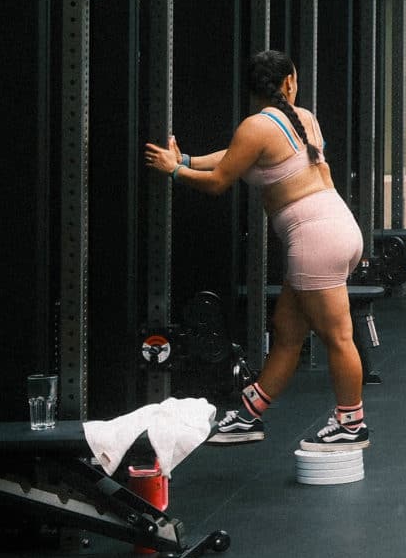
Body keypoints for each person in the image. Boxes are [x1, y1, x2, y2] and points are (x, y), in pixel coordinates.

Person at [145, 50, 371, 451]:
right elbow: (237, 159)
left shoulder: (256, 127)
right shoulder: (303, 118)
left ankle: (351, 424)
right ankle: (249, 416)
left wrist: (175, 170)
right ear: (289, 82)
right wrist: (188, 158)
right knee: (287, 331)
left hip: (316, 240)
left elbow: (219, 182)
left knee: (337, 336)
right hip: (337, 228)